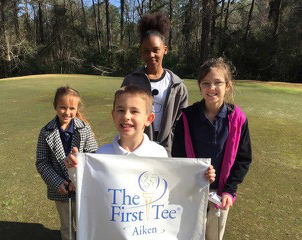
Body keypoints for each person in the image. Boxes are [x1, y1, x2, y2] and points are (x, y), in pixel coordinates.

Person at [172, 57, 252, 240]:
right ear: (200, 86)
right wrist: (195, 176)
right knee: (188, 235)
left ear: (227, 86)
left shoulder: (238, 119)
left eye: (218, 83)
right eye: (206, 83)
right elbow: (178, 156)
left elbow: (243, 159)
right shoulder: (187, 117)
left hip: (220, 196)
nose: (211, 88)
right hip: (192, 193)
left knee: (213, 236)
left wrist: (229, 191)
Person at [66, 85, 215, 181]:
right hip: (113, 229)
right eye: (120, 110)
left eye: (135, 111)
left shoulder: (158, 153)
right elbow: (89, 188)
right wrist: (74, 169)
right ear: (113, 115)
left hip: (145, 228)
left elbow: (172, 188)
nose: (126, 116)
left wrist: (201, 177)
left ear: (149, 119)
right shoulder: (101, 154)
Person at [121, 12, 188, 156]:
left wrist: (172, 142)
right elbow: (122, 114)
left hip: (168, 149)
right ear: (141, 52)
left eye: (156, 50)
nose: (151, 55)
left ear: (165, 49)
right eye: (146, 51)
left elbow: (181, 122)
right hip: (137, 147)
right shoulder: (130, 81)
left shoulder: (177, 85)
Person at [36, 85, 98, 240]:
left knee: (84, 224)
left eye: (72, 108)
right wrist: (57, 182)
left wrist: (77, 179)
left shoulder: (84, 129)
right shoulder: (46, 132)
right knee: (66, 227)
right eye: (63, 107)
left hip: (82, 188)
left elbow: (93, 156)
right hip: (60, 190)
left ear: (77, 108)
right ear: (55, 106)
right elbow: (42, 162)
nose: (67, 112)